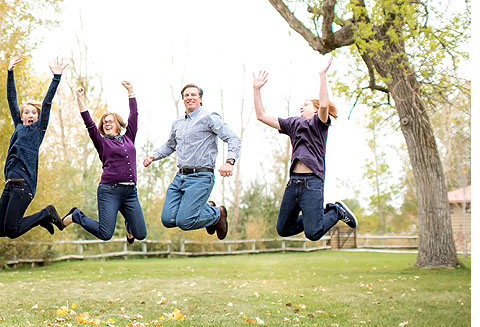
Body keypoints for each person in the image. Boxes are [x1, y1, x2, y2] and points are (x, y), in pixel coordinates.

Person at [253, 55, 357, 240]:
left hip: (312, 183)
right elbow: (261, 115)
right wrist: (256, 89)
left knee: (314, 233)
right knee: (283, 229)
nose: (301, 107)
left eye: (306, 105)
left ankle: (335, 211)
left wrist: (322, 75)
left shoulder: (319, 124)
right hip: (293, 183)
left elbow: (324, 104)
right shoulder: (293, 124)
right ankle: (315, 216)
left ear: (315, 110)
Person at [143, 83, 240, 239]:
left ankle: (217, 214)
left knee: (185, 221)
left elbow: (233, 138)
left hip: (201, 177)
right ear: (183, 100)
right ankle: (209, 208)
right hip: (180, 177)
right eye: (186, 95)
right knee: (168, 220)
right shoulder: (178, 123)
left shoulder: (209, 117)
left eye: (193, 95)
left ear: (200, 99)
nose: (189, 97)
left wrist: (230, 161)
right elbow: (170, 146)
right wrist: (153, 156)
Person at [59, 81, 147, 244]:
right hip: (109, 191)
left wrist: (131, 92)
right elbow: (89, 123)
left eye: (110, 121)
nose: (107, 123)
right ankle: (77, 216)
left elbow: (134, 115)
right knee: (105, 234)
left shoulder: (129, 137)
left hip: (130, 192)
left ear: (119, 124)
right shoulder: (102, 142)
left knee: (140, 234)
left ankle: (129, 225)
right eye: (104, 122)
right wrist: (80, 99)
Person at [0, 55, 68, 239]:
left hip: (23, 186)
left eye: (34, 112)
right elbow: (12, 99)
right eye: (26, 112)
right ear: (22, 115)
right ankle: (42, 218)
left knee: (12, 231)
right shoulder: (18, 126)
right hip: (9, 185)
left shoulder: (38, 130)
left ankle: (46, 214)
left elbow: (47, 103)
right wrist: (10, 72)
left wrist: (56, 77)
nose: (30, 114)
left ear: (37, 116)